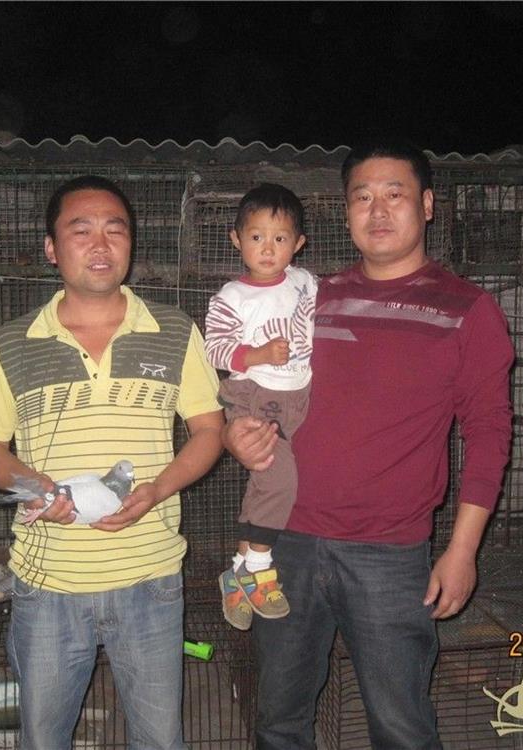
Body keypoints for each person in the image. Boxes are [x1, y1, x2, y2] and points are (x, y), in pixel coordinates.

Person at [224, 140, 514, 749]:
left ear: (427, 205)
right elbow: (255, 383)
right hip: (285, 542)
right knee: (278, 720)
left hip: (389, 553)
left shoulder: (468, 308)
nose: (378, 210)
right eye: (362, 197)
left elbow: (489, 434)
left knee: (401, 726)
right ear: (346, 210)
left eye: (394, 194)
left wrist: (463, 550)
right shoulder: (310, 298)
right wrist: (236, 435)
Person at [0, 175, 224, 750]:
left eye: (115, 230)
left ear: (131, 243)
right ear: (51, 248)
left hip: (151, 577)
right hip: (48, 584)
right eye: (81, 231)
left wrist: (158, 490)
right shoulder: (13, 342)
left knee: (160, 741)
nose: (101, 245)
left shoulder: (174, 331)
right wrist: (34, 485)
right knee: (43, 739)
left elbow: (209, 431)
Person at [204, 184, 317, 630]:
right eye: (256, 237)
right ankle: (258, 567)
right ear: (237, 239)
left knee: (269, 480)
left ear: (298, 243)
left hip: (298, 394)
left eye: (279, 238)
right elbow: (214, 350)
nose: (268, 248)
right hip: (255, 394)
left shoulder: (305, 283)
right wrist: (258, 354)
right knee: (280, 477)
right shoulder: (232, 297)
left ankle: (236, 570)